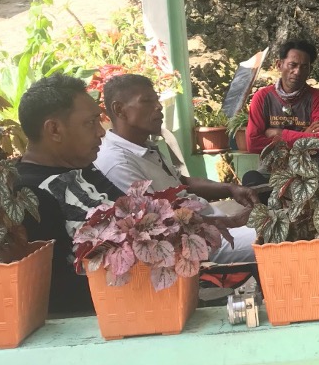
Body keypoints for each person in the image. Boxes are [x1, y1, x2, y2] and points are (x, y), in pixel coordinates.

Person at [93, 73, 258, 263]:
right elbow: (159, 225)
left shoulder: (143, 146)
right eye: (147, 101)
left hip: (212, 225)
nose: (158, 106)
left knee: (288, 226)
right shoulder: (118, 162)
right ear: (120, 110)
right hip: (194, 244)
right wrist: (230, 222)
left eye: (157, 99)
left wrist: (230, 188)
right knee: (285, 239)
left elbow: (182, 182)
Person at [15, 74, 119, 314]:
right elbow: (61, 292)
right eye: (90, 122)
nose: (101, 132)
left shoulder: (84, 167)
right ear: (54, 129)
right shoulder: (29, 195)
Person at [245, 40, 319, 153]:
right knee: (251, 172)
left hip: (309, 165)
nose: (297, 71)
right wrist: (305, 135)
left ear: (310, 70)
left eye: (304, 67)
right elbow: (253, 143)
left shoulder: (318, 98)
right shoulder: (262, 97)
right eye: (292, 65)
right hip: (271, 166)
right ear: (279, 65)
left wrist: (277, 133)